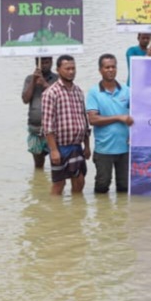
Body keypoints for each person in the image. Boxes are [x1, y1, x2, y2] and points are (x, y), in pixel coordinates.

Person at [43, 55, 91, 196]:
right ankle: (54, 215)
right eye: (67, 69)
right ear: (58, 70)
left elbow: (84, 119)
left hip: (77, 145)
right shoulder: (51, 93)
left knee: (80, 180)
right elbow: (47, 125)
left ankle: (75, 213)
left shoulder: (78, 92)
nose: (71, 71)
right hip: (60, 146)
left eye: (73, 68)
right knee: (59, 184)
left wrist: (87, 146)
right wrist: (53, 150)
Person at [87, 54, 132, 194]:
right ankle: (102, 216)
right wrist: (119, 117)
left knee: (124, 188)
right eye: (107, 67)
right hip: (104, 150)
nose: (110, 70)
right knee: (102, 187)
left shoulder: (127, 91)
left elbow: (138, 115)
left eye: (113, 67)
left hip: (125, 148)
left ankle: (121, 216)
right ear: (100, 70)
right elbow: (93, 120)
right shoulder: (94, 92)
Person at [22, 56, 59, 169]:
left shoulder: (58, 79)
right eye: (41, 63)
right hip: (35, 128)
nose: (44, 65)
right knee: (38, 166)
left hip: (54, 129)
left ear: (52, 62)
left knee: (56, 164)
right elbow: (25, 99)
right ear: (36, 63)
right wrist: (34, 81)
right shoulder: (29, 79)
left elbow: (60, 98)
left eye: (47, 62)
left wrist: (44, 84)